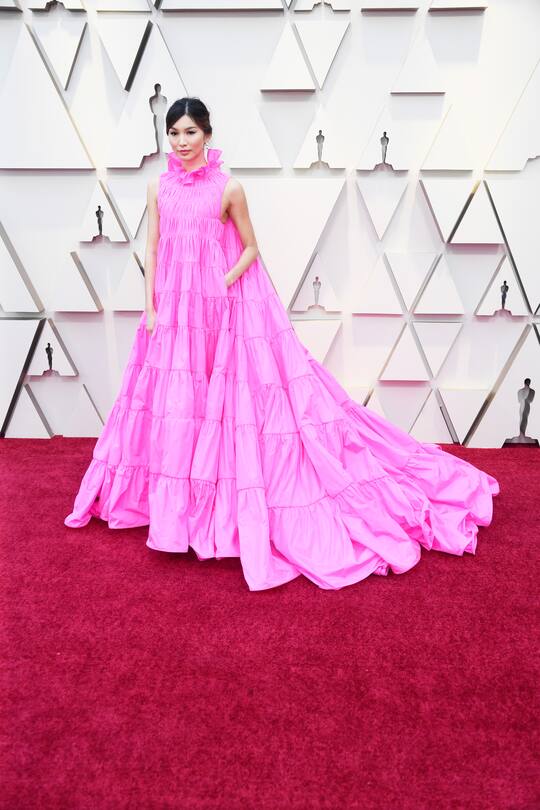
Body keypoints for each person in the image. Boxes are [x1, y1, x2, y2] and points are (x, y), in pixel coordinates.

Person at [64, 96, 500, 592]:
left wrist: (221, 281)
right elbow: (153, 246)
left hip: (218, 306)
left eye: (190, 133)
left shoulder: (230, 188)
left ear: (207, 134)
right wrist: (149, 305)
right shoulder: (157, 187)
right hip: (173, 311)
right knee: (178, 406)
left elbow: (251, 248)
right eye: (174, 134)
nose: (182, 143)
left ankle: (216, 507)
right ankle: (174, 508)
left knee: (226, 407)